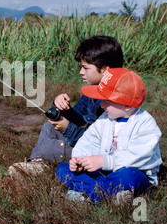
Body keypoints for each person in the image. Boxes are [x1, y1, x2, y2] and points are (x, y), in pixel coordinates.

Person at [9, 35, 124, 176]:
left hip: (97, 155)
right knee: (48, 127)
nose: (81, 72)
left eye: (85, 68)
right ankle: (38, 163)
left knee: (47, 146)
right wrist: (63, 108)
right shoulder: (92, 90)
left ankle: (42, 164)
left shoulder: (115, 104)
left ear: (105, 70)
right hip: (86, 142)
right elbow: (79, 117)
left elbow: (100, 145)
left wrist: (67, 128)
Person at [55, 68, 163, 203]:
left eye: (107, 100)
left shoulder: (145, 124)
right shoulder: (104, 119)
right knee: (61, 170)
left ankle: (90, 195)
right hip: (104, 172)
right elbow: (89, 141)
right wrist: (80, 160)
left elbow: (138, 155)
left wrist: (104, 161)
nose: (102, 104)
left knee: (130, 176)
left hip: (133, 173)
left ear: (127, 105)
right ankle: (112, 194)